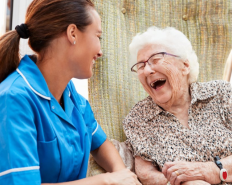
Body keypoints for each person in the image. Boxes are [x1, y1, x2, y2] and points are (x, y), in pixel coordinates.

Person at [0, 0, 141, 185]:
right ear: (72, 33)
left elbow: (99, 144)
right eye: (98, 36)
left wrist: (122, 173)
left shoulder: (72, 97)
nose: (100, 51)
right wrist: (108, 180)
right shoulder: (14, 98)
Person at [123, 26, 232, 185]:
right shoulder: (138, 119)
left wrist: (209, 171)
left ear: (185, 66)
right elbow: (146, 175)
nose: (147, 70)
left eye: (156, 59)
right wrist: (187, 183)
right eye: (140, 65)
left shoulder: (219, 92)